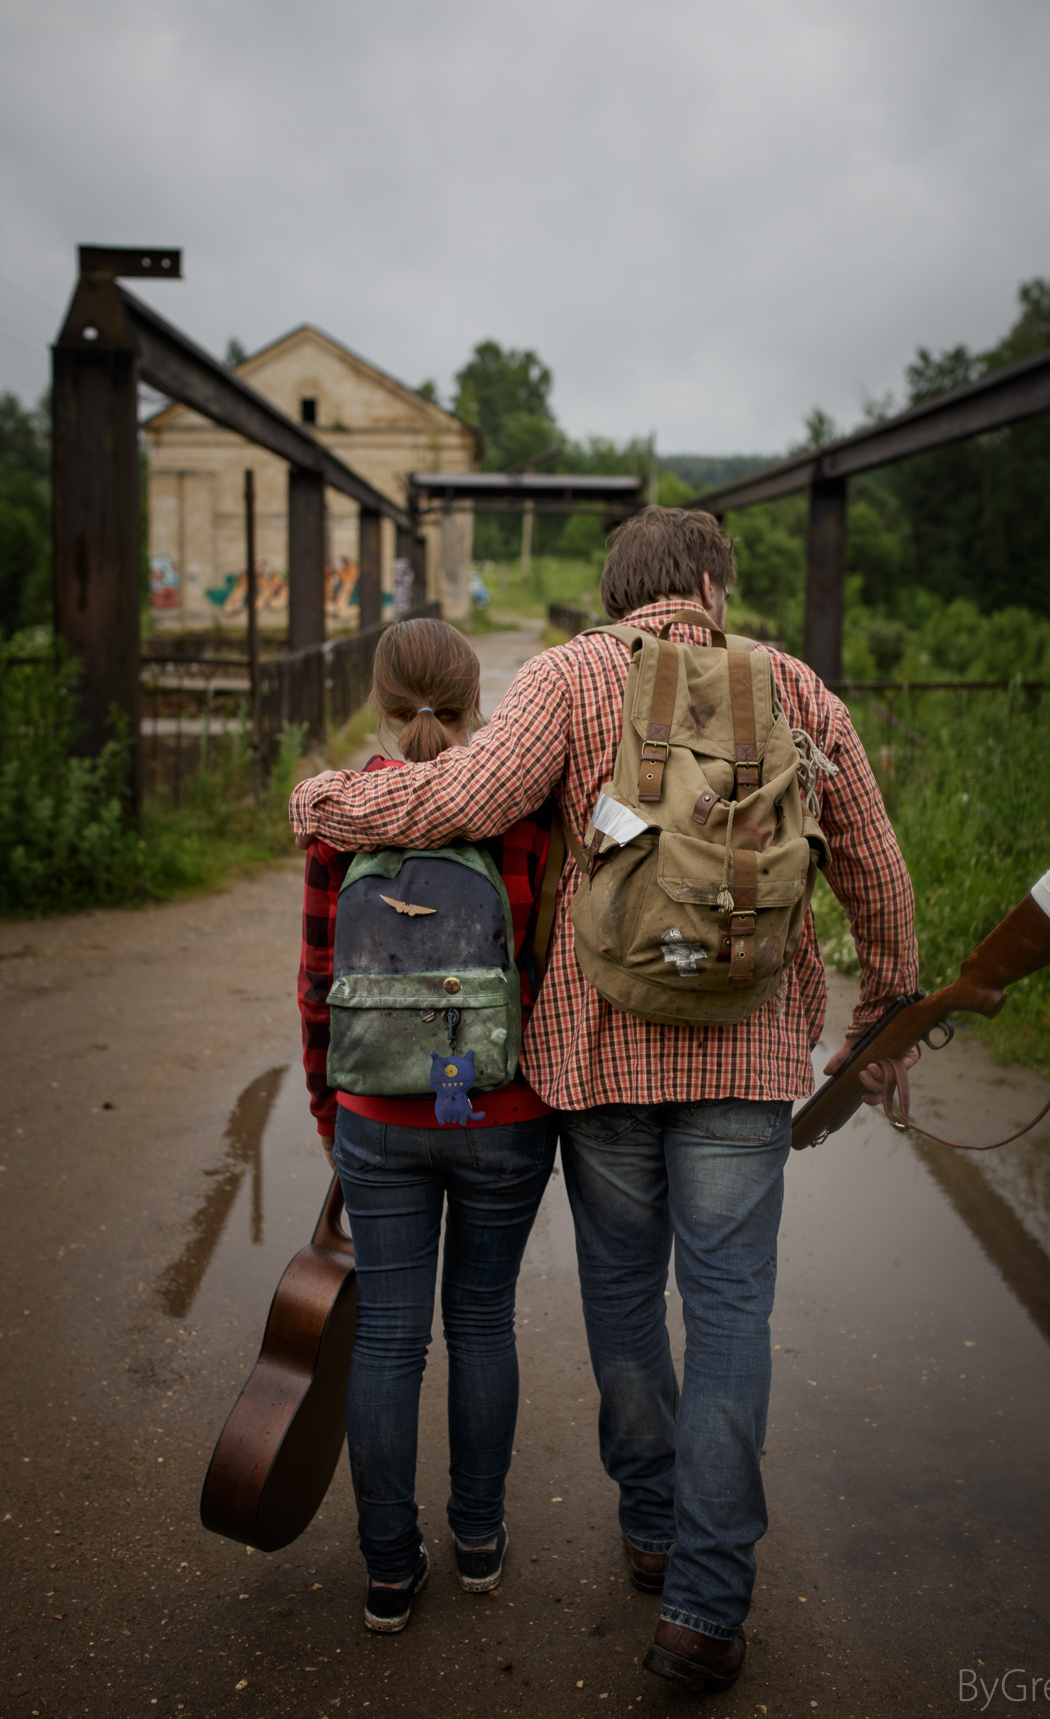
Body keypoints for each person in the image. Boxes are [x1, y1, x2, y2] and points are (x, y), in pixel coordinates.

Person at [291, 508, 918, 1689]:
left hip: (600, 1053)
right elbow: (875, 866)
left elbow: (458, 801)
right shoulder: (795, 688)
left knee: (625, 1304)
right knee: (730, 1315)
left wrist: (323, 806)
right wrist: (886, 1011)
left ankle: (648, 1526)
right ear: (715, 584)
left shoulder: (571, 676)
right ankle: (704, 1606)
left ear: (616, 588)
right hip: (747, 1056)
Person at [297, 617, 557, 1634]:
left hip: (378, 1111)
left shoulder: (343, 810)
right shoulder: (520, 805)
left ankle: (390, 1570)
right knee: (483, 1323)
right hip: (500, 1107)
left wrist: (333, 1112)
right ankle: (481, 1542)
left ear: (378, 700)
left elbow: (319, 979)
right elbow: (547, 964)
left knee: (390, 1341)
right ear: (475, 703)